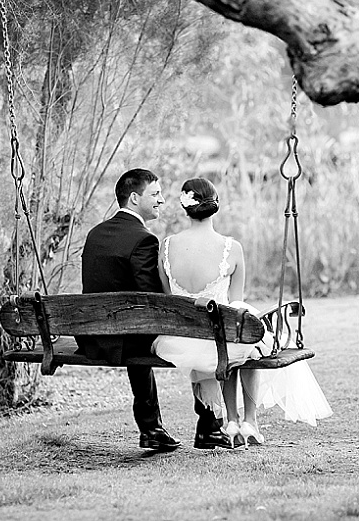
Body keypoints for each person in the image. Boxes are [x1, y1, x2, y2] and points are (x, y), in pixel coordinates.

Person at [151, 178, 331, 449]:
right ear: (216, 207)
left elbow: (168, 299)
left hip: (178, 341)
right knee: (245, 333)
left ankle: (231, 420)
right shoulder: (231, 249)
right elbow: (236, 302)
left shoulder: (166, 247)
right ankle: (249, 421)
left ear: (184, 207)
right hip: (221, 336)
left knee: (234, 336)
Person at [77, 168, 214, 452]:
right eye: (155, 194)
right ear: (134, 197)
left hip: (91, 337)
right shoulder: (143, 239)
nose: (162, 200)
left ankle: (153, 427)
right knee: (199, 339)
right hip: (125, 338)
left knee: (136, 328)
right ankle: (207, 423)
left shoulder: (95, 233)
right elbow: (152, 299)